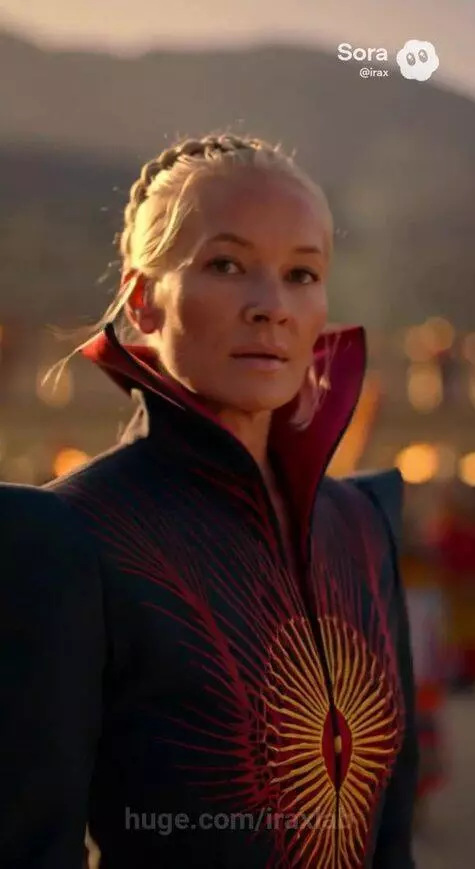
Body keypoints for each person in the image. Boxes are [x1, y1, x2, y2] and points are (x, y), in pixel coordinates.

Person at [0, 133, 418, 868]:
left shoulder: (362, 525)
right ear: (143, 301)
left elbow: (390, 843)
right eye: (226, 265)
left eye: (301, 273)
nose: (272, 307)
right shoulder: (68, 538)